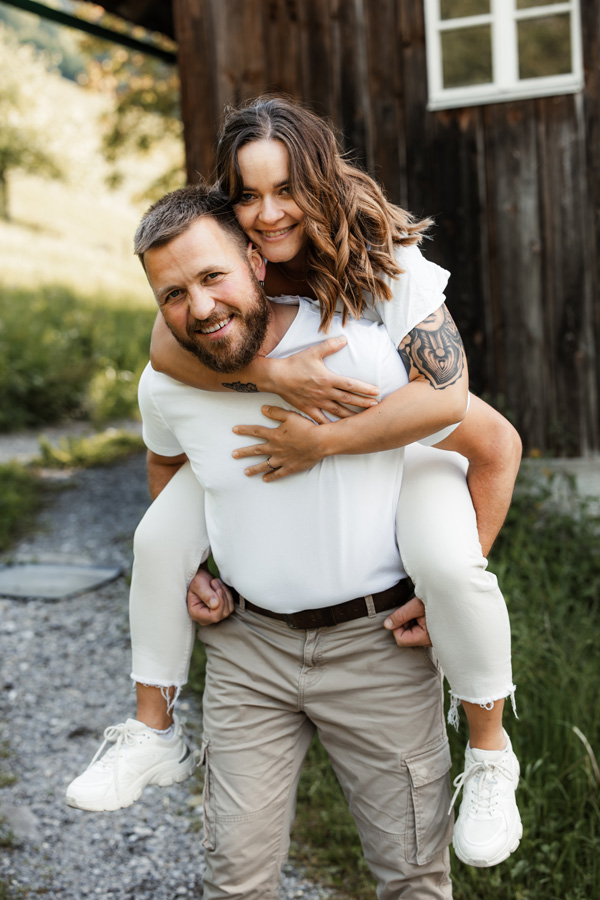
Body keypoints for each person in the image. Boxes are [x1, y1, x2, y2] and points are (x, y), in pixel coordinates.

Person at [67, 97, 523, 870]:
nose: (268, 213)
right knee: (158, 538)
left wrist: (322, 440)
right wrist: (272, 374)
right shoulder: (223, 268)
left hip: (399, 440)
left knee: (449, 568)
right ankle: (152, 728)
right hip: (270, 588)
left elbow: (451, 403)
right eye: (248, 194)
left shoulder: (384, 261)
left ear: (321, 182)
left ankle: (490, 751)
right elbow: (165, 345)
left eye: (286, 189)